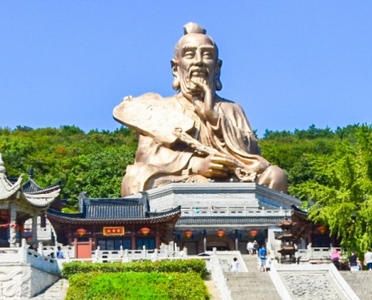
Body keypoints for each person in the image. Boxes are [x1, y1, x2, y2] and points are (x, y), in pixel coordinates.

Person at [114, 23, 288, 196]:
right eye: (190, 54)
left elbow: (251, 153)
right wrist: (196, 164)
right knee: (134, 178)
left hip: (231, 180)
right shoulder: (161, 108)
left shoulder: (232, 109)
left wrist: (214, 117)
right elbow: (148, 156)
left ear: (217, 68)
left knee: (276, 175)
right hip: (182, 181)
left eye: (207, 55)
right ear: (176, 68)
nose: (198, 61)